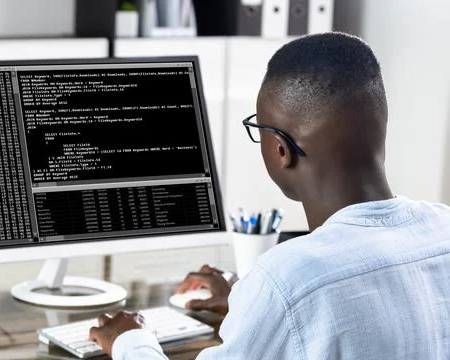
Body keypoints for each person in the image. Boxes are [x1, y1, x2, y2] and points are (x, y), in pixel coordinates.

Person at [89, 32, 450, 359]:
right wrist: (252, 302)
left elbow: (307, 293)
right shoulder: (443, 228)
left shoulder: (289, 277)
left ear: (281, 150)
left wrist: (130, 340)